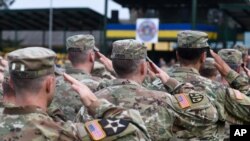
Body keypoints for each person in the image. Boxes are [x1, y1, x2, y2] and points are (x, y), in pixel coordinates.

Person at [76, 39, 219, 140]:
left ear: (113, 66)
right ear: (144, 67)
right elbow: (209, 115)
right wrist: (174, 84)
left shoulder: (92, 102)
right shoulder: (164, 100)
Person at [0, 47, 150, 141]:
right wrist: (94, 103)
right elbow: (134, 128)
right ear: (49, 84)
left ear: (11, 83)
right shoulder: (66, 133)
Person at [162, 30, 250, 139]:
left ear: (177, 55)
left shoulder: (153, 86)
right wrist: (233, 76)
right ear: (203, 57)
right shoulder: (217, 90)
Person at [51, 34, 112, 120]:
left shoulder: (51, 84)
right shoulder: (102, 86)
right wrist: (114, 71)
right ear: (91, 56)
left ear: (68, 57)